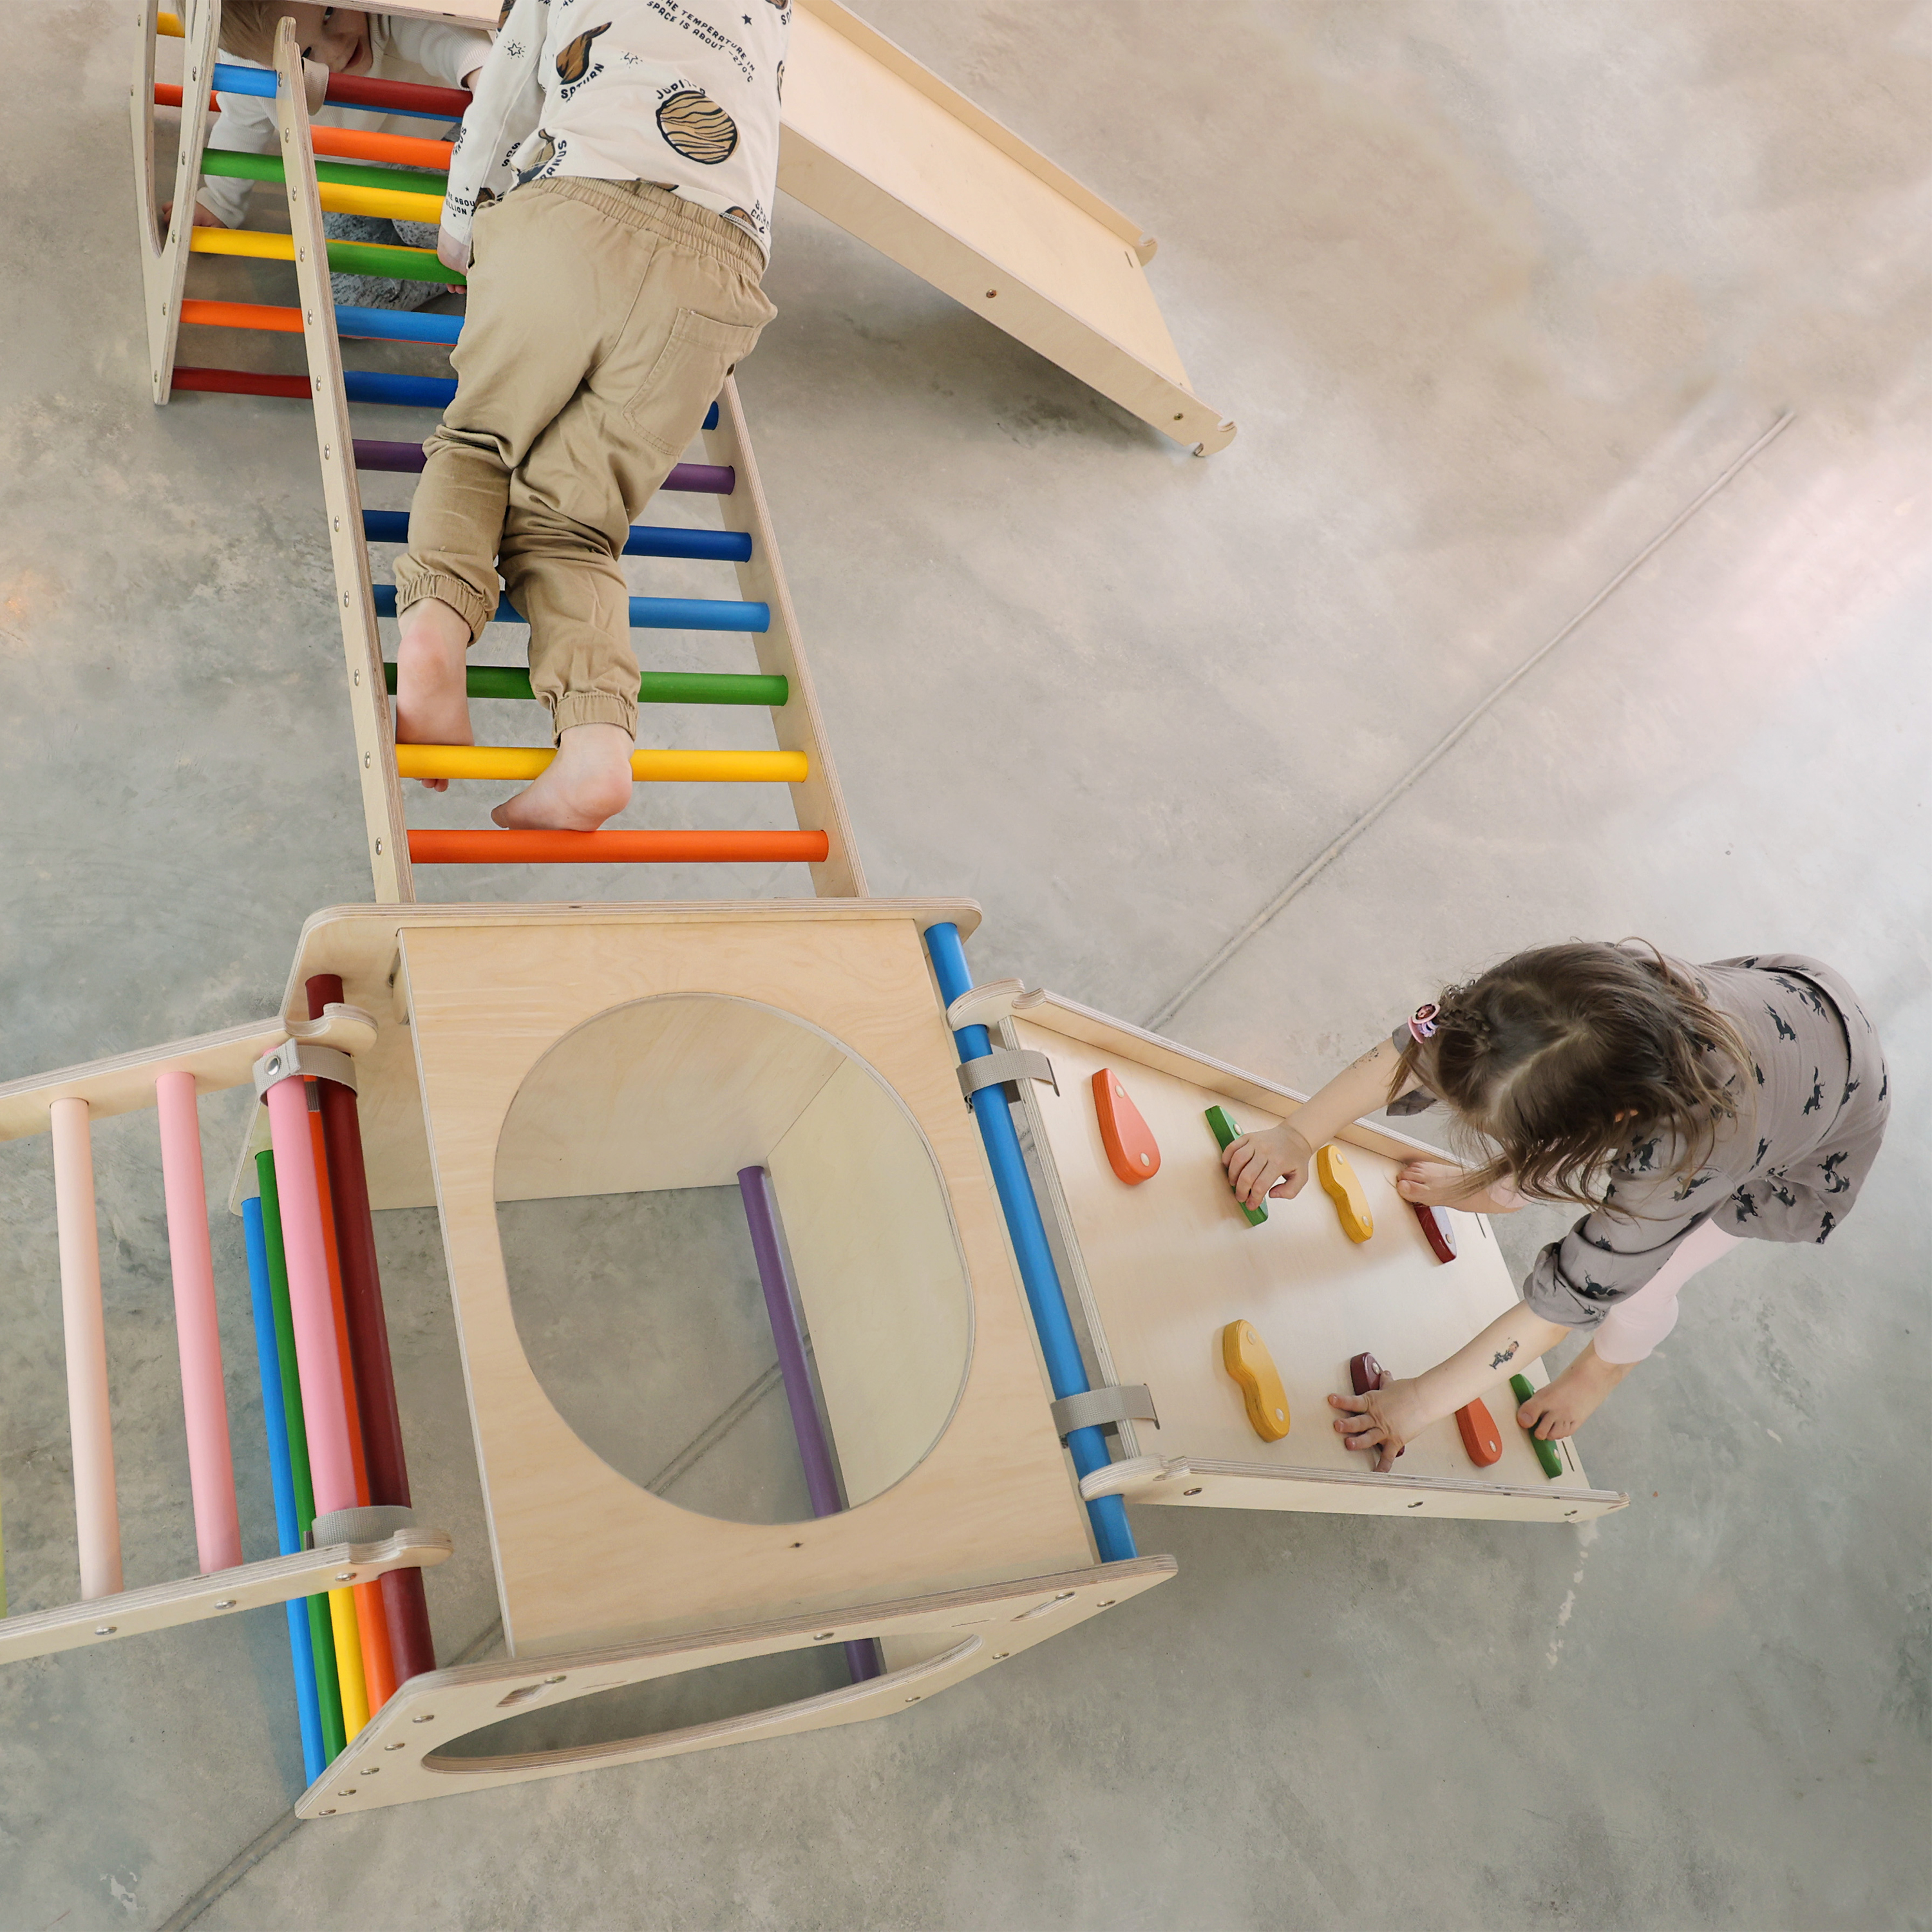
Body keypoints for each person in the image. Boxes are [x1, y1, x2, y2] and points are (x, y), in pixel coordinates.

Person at [1222, 943, 1889, 1466]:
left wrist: (1418, 1403)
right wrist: (1298, 1134)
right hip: (1789, 999)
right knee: (1547, 1093)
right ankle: (1509, 1184)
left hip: (1812, 1129)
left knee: (1649, 1278)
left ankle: (1605, 1371)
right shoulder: (1554, 1000)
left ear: (1616, 1126)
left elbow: (1566, 1300)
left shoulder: (1686, 1160)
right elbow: (1423, 1049)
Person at [390, 0, 784, 831]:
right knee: (575, 528)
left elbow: (504, 92)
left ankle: (435, 628)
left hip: (575, 214)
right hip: (720, 270)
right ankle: (597, 748)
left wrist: (461, 223)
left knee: (478, 443)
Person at [176, 5, 489, 312]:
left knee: (421, 223)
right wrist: (219, 200)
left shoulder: (386, 14)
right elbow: (241, 125)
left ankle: (479, 255)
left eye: (330, 13)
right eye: (306, 54)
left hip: (443, 145)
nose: (337, 50)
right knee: (341, 298)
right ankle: (448, 266)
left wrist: (481, 72)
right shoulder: (254, 68)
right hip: (358, 179)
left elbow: (446, 38)